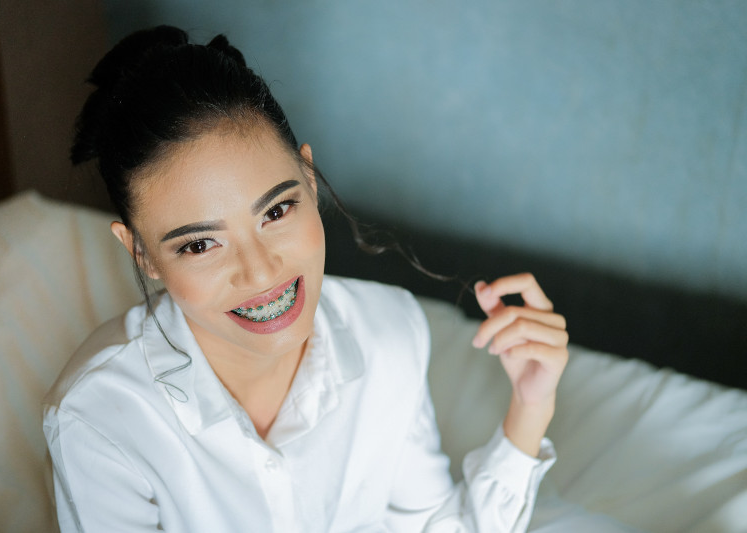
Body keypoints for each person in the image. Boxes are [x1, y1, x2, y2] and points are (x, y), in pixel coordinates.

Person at [43, 25, 569, 532]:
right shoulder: (99, 416)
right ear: (142, 254)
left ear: (310, 179)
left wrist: (531, 406)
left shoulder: (390, 333)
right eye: (200, 244)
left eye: (276, 211)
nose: (261, 272)